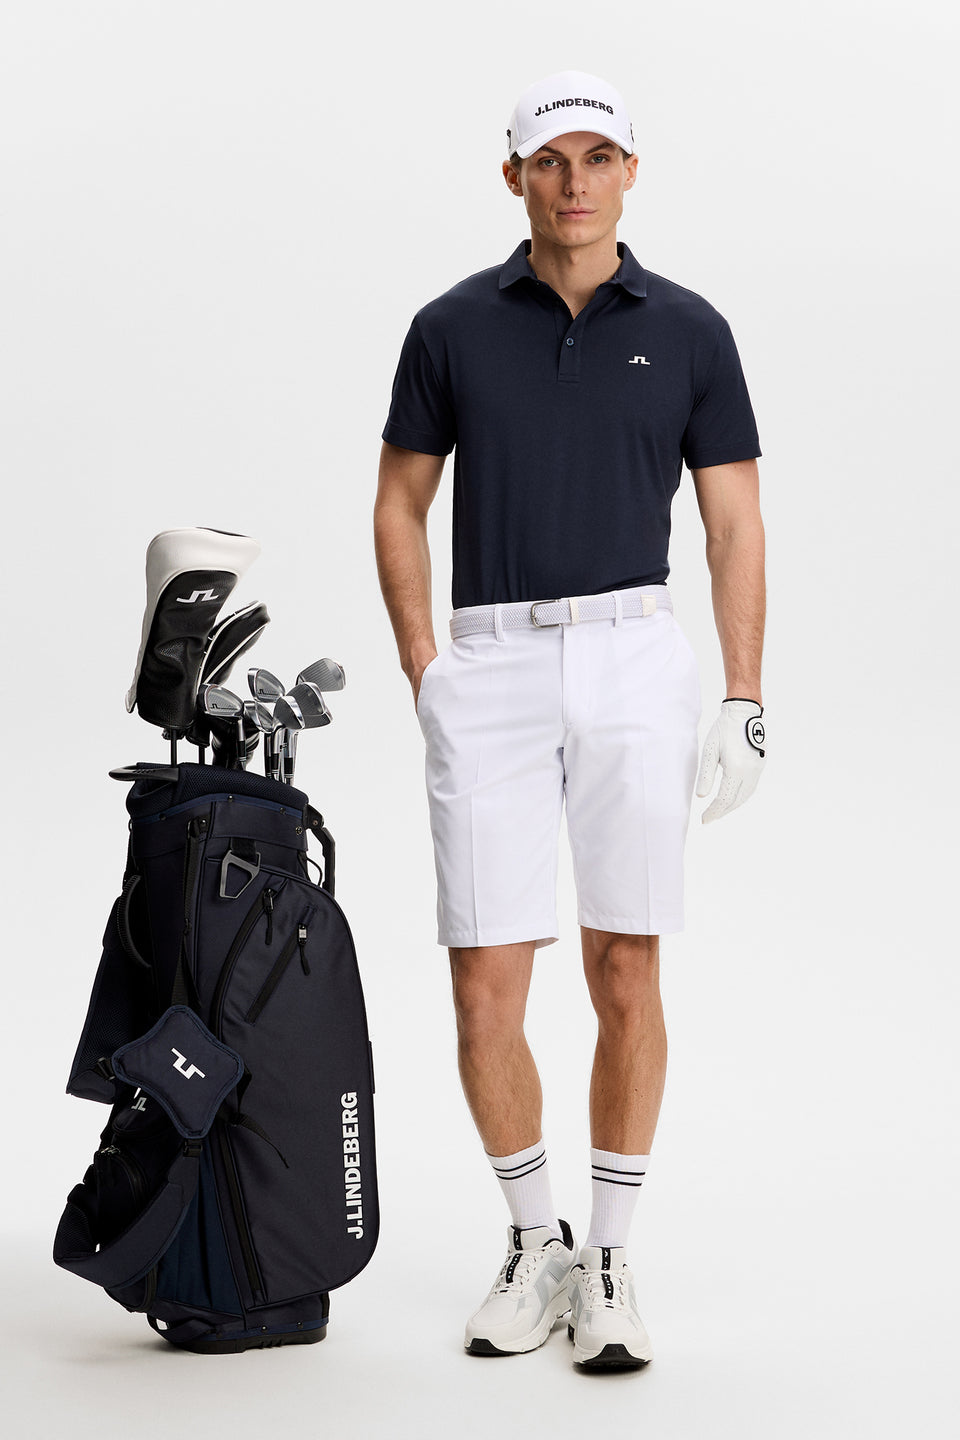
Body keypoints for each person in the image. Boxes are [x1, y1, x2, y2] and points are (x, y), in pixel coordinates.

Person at [374, 70, 766, 1370]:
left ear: (631, 173)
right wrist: (427, 666)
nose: (576, 181)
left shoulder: (692, 330)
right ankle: (532, 1240)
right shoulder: (450, 326)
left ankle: (607, 1256)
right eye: (551, 160)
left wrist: (744, 696)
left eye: (599, 157)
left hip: (634, 656)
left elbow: (732, 523)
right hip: (491, 662)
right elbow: (400, 501)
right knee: (485, 973)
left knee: (625, 963)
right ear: (515, 177)